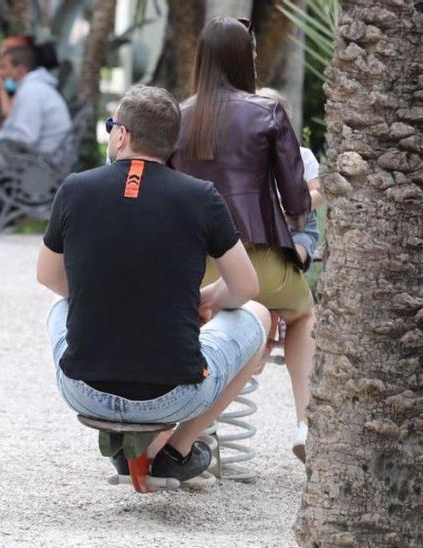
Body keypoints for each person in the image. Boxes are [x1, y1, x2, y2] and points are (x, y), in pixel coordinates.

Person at [39, 85, 272, 482]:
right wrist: (203, 299)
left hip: (84, 388)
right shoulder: (202, 197)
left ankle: (125, 436)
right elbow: (246, 287)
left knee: (60, 307)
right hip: (172, 397)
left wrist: (100, 297)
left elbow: (47, 275)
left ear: (122, 135)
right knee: (259, 315)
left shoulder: (75, 188)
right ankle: (177, 453)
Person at [169, 18, 315, 462]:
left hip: (195, 266)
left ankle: (191, 434)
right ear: (242, 58)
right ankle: (306, 422)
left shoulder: (177, 117)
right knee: (304, 313)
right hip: (259, 265)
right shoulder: (267, 113)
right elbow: (295, 199)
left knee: (203, 323)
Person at [253, 86, 321, 460]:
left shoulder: (299, 155)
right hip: (265, 246)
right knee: (302, 310)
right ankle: (306, 420)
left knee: (303, 234)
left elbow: (315, 192)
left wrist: (291, 203)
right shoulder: (252, 157)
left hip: (287, 232)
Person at [0, 45, 71, 239]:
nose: (0, 72)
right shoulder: (35, 88)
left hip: (41, 163)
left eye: (4, 67)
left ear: (20, 69)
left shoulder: (31, 92)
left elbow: (25, 136)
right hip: (46, 158)